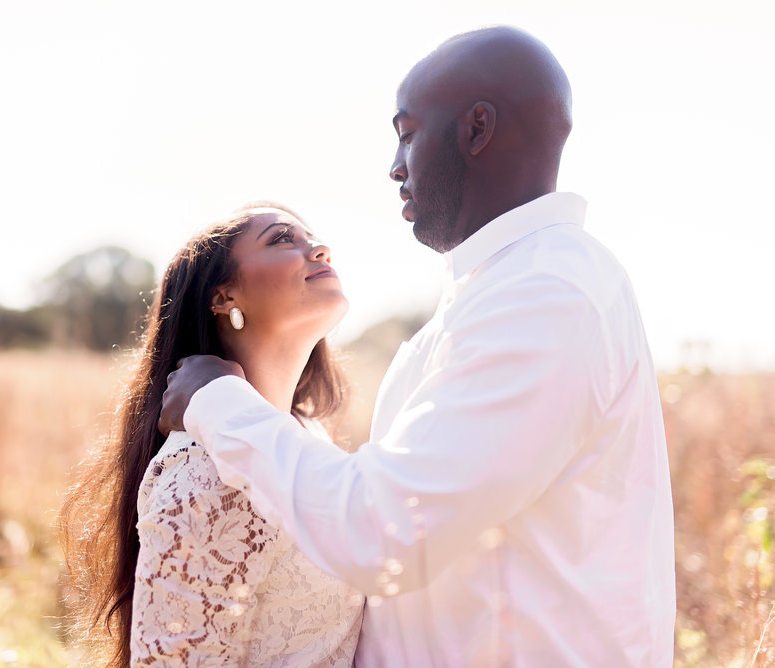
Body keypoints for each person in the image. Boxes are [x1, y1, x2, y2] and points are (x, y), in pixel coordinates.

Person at [158, 26, 676, 666]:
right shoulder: (489, 298)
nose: (396, 166)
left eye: (406, 132)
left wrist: (218, 403)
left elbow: (385, 533)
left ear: (476, 130)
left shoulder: (548, 292)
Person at [59, 203, 364, 667]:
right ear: (223, 297)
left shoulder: (311, 436)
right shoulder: (203, 470)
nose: (319, 248)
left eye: (311, 237)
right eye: (283, 239)